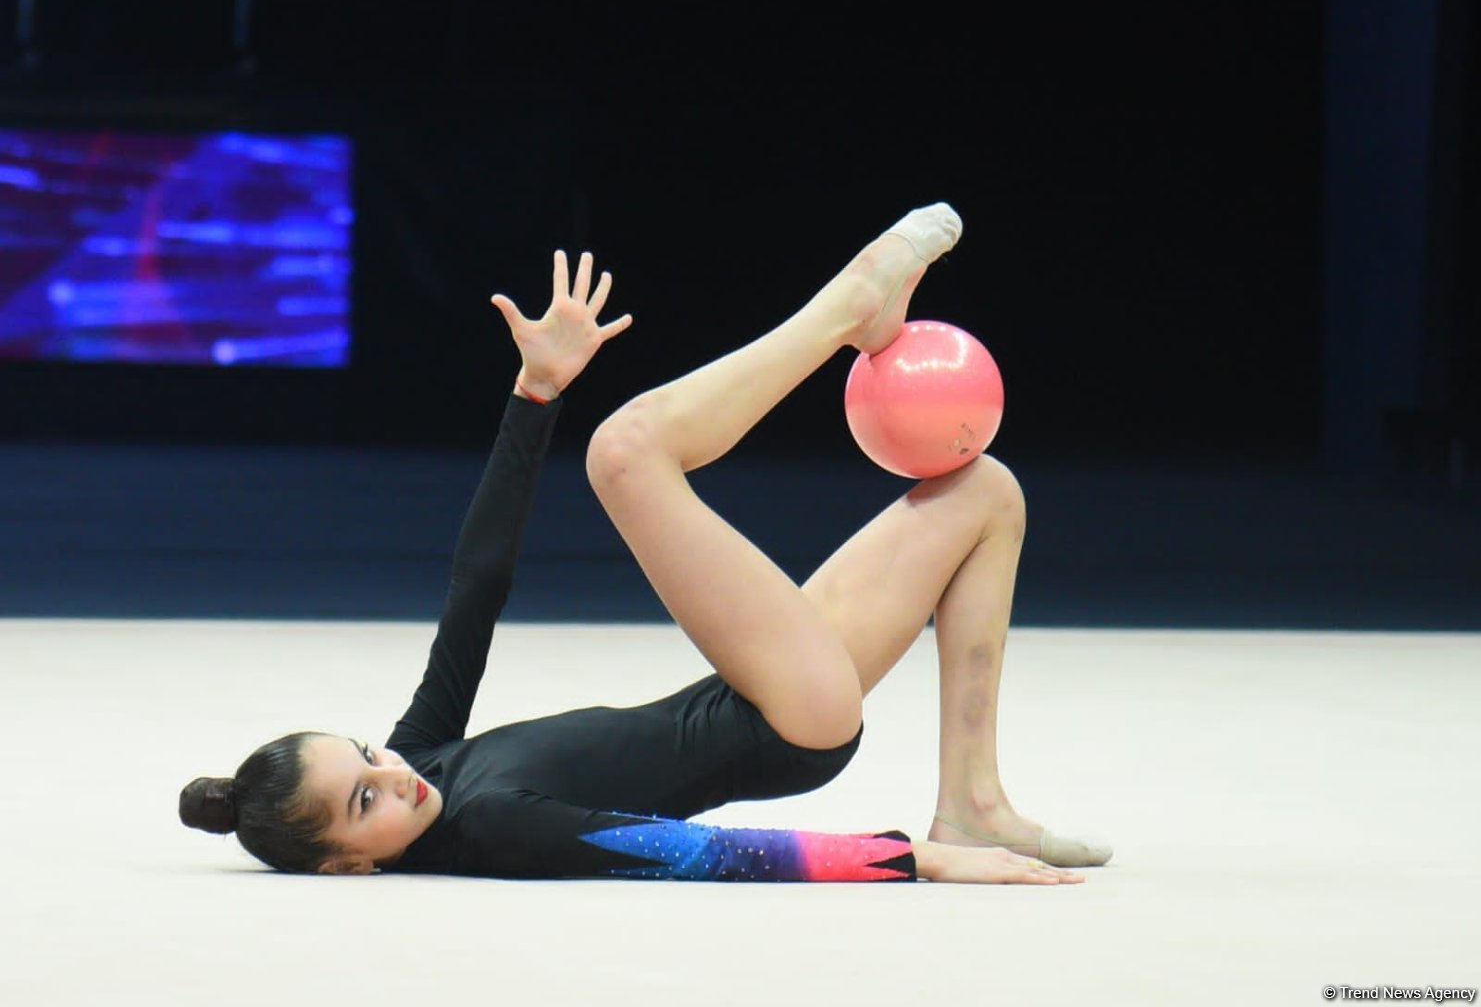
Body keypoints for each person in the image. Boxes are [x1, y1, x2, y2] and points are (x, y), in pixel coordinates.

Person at [180, 202, 1110, 885]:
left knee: (982, 493)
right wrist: (915, 862)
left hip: (746, 693)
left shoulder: (419, 759)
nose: (394, 780)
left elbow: (477, 586)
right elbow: (700, 852)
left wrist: (534, 397)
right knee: (625, 454)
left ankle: (973, 799)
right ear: (347, 866)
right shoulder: (493, 829)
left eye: (366, 758)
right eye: (365, 801)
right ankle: (848, 308)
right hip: (787, 720)